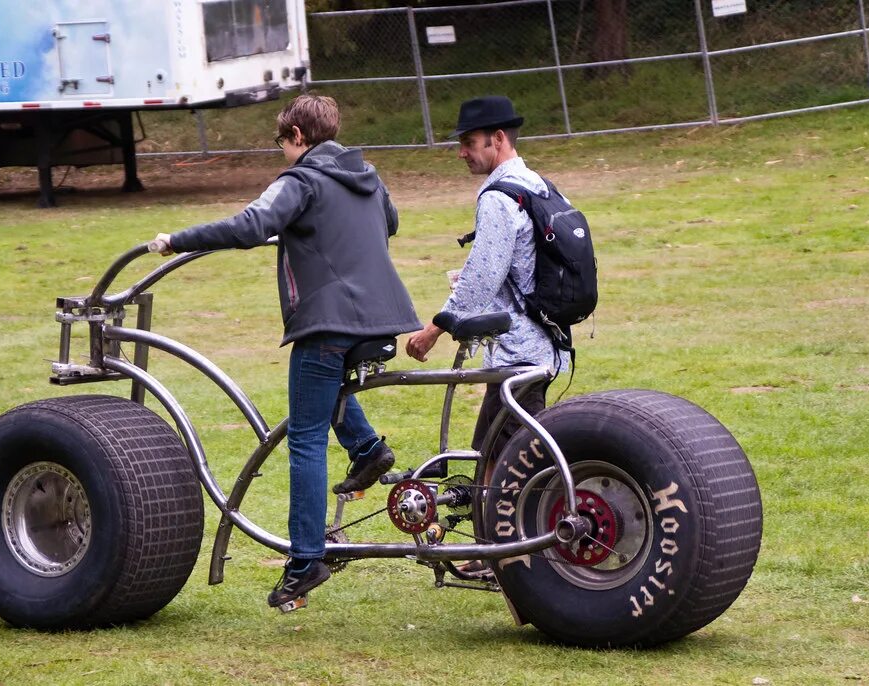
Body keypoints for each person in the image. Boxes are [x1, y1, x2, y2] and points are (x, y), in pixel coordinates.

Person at [151, 94, 421, 608]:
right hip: (378, 316)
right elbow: (389, 223)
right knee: (327, 397)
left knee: (305, 440)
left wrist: (178, 239)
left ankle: (304, 561)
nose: (282, 153)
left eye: (282, 143)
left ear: (297, 136)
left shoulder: (300, 181)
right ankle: (366, 448)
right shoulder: (367, 175)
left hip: (327, 322)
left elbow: (252, 225)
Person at [405, 96, 572, 577]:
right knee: (514, 454)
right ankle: (512, 549)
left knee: (500, 461)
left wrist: (432, 329)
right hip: (544, 344)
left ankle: (499, 555)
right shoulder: (537, 184)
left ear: (497, 140)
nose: (462, 152)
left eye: (469, 142)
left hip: (518, 352)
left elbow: (485, 275)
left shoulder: (500, 196)